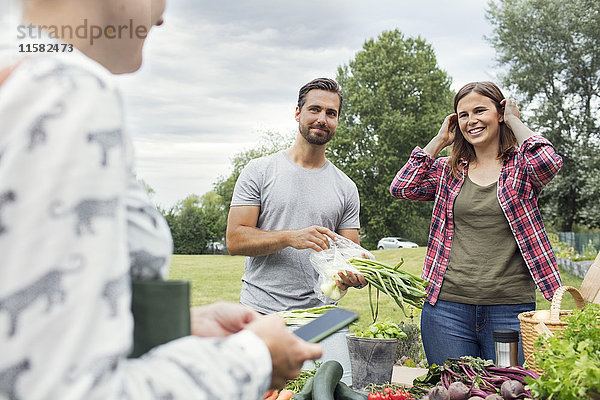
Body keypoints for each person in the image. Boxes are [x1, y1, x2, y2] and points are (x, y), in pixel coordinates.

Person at [0, 0, 321, 398]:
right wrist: (253, 358)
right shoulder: (69, 90)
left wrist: (180, 325)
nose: (163, 15)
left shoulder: (23, 73)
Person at [389, 81, 563, 366]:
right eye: (464, 115)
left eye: (480, 110)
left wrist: (515, 121)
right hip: (446, 309)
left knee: (507, 391)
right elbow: (402, 187)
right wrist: (438, 141)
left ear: (499, 113)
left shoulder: (522, 166)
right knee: (452, 390)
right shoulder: (449, 169)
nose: (472, 121)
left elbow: (548, 161)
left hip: (509, 308)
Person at [226, 78, 368, 384]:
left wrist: (356, 274)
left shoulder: (345, 187)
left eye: (331, 113)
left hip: (322, 318)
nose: (322, 118)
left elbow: (350, 255)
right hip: (263, 314)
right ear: (297, 113)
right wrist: (291, 237)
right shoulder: (260, 171)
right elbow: (235, 238)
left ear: (337, 121)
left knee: (332, 391)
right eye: (314, 109)